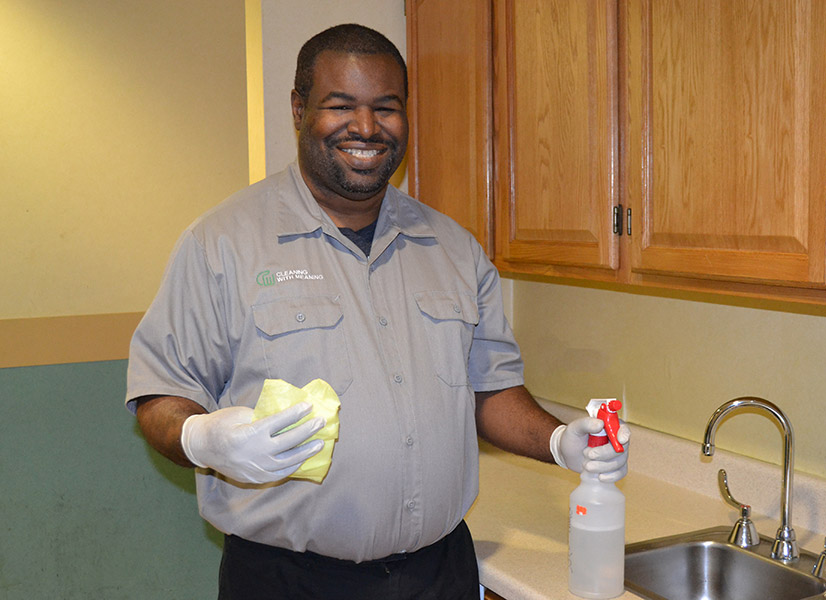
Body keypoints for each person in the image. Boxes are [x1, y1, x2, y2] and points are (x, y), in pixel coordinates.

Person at [126, 23, 630, 600]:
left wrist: (562, 441)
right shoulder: (220, 244)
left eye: (385, 108)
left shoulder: (454, 249)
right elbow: (160, 393)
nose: (365, 128)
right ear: (298, 109)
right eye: (340, 105)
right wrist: (201, 438)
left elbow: (488, 391)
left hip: (440, 575)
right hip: (287, 581)